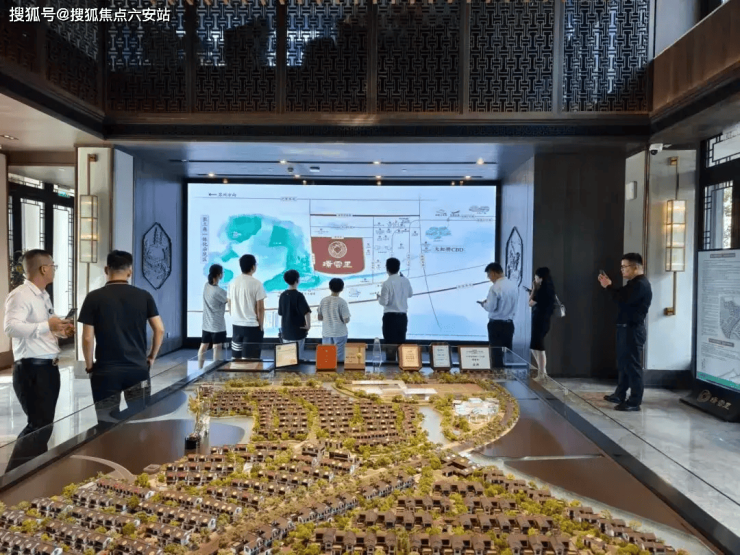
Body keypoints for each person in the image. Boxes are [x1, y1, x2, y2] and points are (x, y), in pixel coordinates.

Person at [3, 249, 73, 471]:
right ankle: (13, 478)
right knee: (38, 426)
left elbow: (45, 329)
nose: (54, 270)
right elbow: (10, 327)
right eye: (53, 266)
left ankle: (35, 472)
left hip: (48, 367)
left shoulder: (43, 295)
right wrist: (46, 326)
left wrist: (60, 330)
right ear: (44, 269)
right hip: (32, 369)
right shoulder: (21, 295)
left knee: (44, 426)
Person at [79, 250, 165, 422]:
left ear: (106, 269)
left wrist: (90, 366)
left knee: (106, 422)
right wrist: (151, 357)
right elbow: (159, 329)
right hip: (137, 369)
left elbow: (87, 338)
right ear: (130, 271)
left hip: (106, 372)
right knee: (140, 420)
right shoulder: (144, 296)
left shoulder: (93, 298)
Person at [598, 253, 653, 412]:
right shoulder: (633, 284)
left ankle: (634, 401)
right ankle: (620, 394)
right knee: (624, 364)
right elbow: (621, 296)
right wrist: (609, 286)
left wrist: (608, 286)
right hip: (625, 328)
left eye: (624, 266)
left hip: (632, 329)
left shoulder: (640, 284)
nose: (622, 269)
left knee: (632, 366)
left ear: (635, 267)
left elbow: (622, 299)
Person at [479, 262, 518, 368]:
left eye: (488, 275)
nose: (488, 278)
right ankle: (506, 376)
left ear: (493, 273)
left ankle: (497, 375)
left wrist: (484, 304)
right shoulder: (513, 286)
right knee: (506, 354)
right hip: (509, 325)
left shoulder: (495, 287)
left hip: (496, 325)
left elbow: (491, 307)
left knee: (496, 356)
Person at [229, 254, 266, 360]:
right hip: (252, 327)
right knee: (251, 361)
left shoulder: (232, 283)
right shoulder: (257, 284)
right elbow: (260, 308)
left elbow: (229, 304)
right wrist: (261, 325)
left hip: (236, 326)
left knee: (236, 360)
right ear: (253, 267)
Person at [377, 257, 413, 361]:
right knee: (401, 343)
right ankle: (402, 365)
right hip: (402, 317)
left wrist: (378, 298)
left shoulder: (387, 283)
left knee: (390, 344)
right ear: (398, 268)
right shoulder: (405, 280)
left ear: (387, 268)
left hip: (390, 317)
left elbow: (384, 302)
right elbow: (410, 294)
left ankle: (390, 365)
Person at [529, 267, 557, 379]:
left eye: (536, 276)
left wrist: (534, 289)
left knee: (538, 347)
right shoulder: (550, 289)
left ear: (540, 278)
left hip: (539, 321)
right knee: (536, 346)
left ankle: (542, 373)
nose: (534, 279)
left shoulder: (541, 291)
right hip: (545, 321)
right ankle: (543, 372)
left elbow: (530, 303)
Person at [278, 270, 311, 361]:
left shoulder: (282, 295)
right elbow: (307, 312)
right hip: (298, 331)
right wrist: (308, 325)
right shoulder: (299, 296)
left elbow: (281, 313)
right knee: (298, 357)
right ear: (297, 280)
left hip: (286, 331)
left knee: (288, 358)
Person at [198, 264, 229, 364]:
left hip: (206, 324)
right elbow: (229, 300)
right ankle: (215, 369)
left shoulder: (206, 286)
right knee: (217, 347)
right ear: (219, 275)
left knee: (203, 346)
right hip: (217, 326)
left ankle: (200, 368)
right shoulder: (219, 291)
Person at [318, 278, 351, 362]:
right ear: (342, 288)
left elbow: (319, 317)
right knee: (339, 359)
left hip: (327, 333)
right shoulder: (342, 302)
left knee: (327, 358)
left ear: (329, 287)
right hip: (340, 333)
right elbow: (346, 320)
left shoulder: (323, 301)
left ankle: (328, 370)